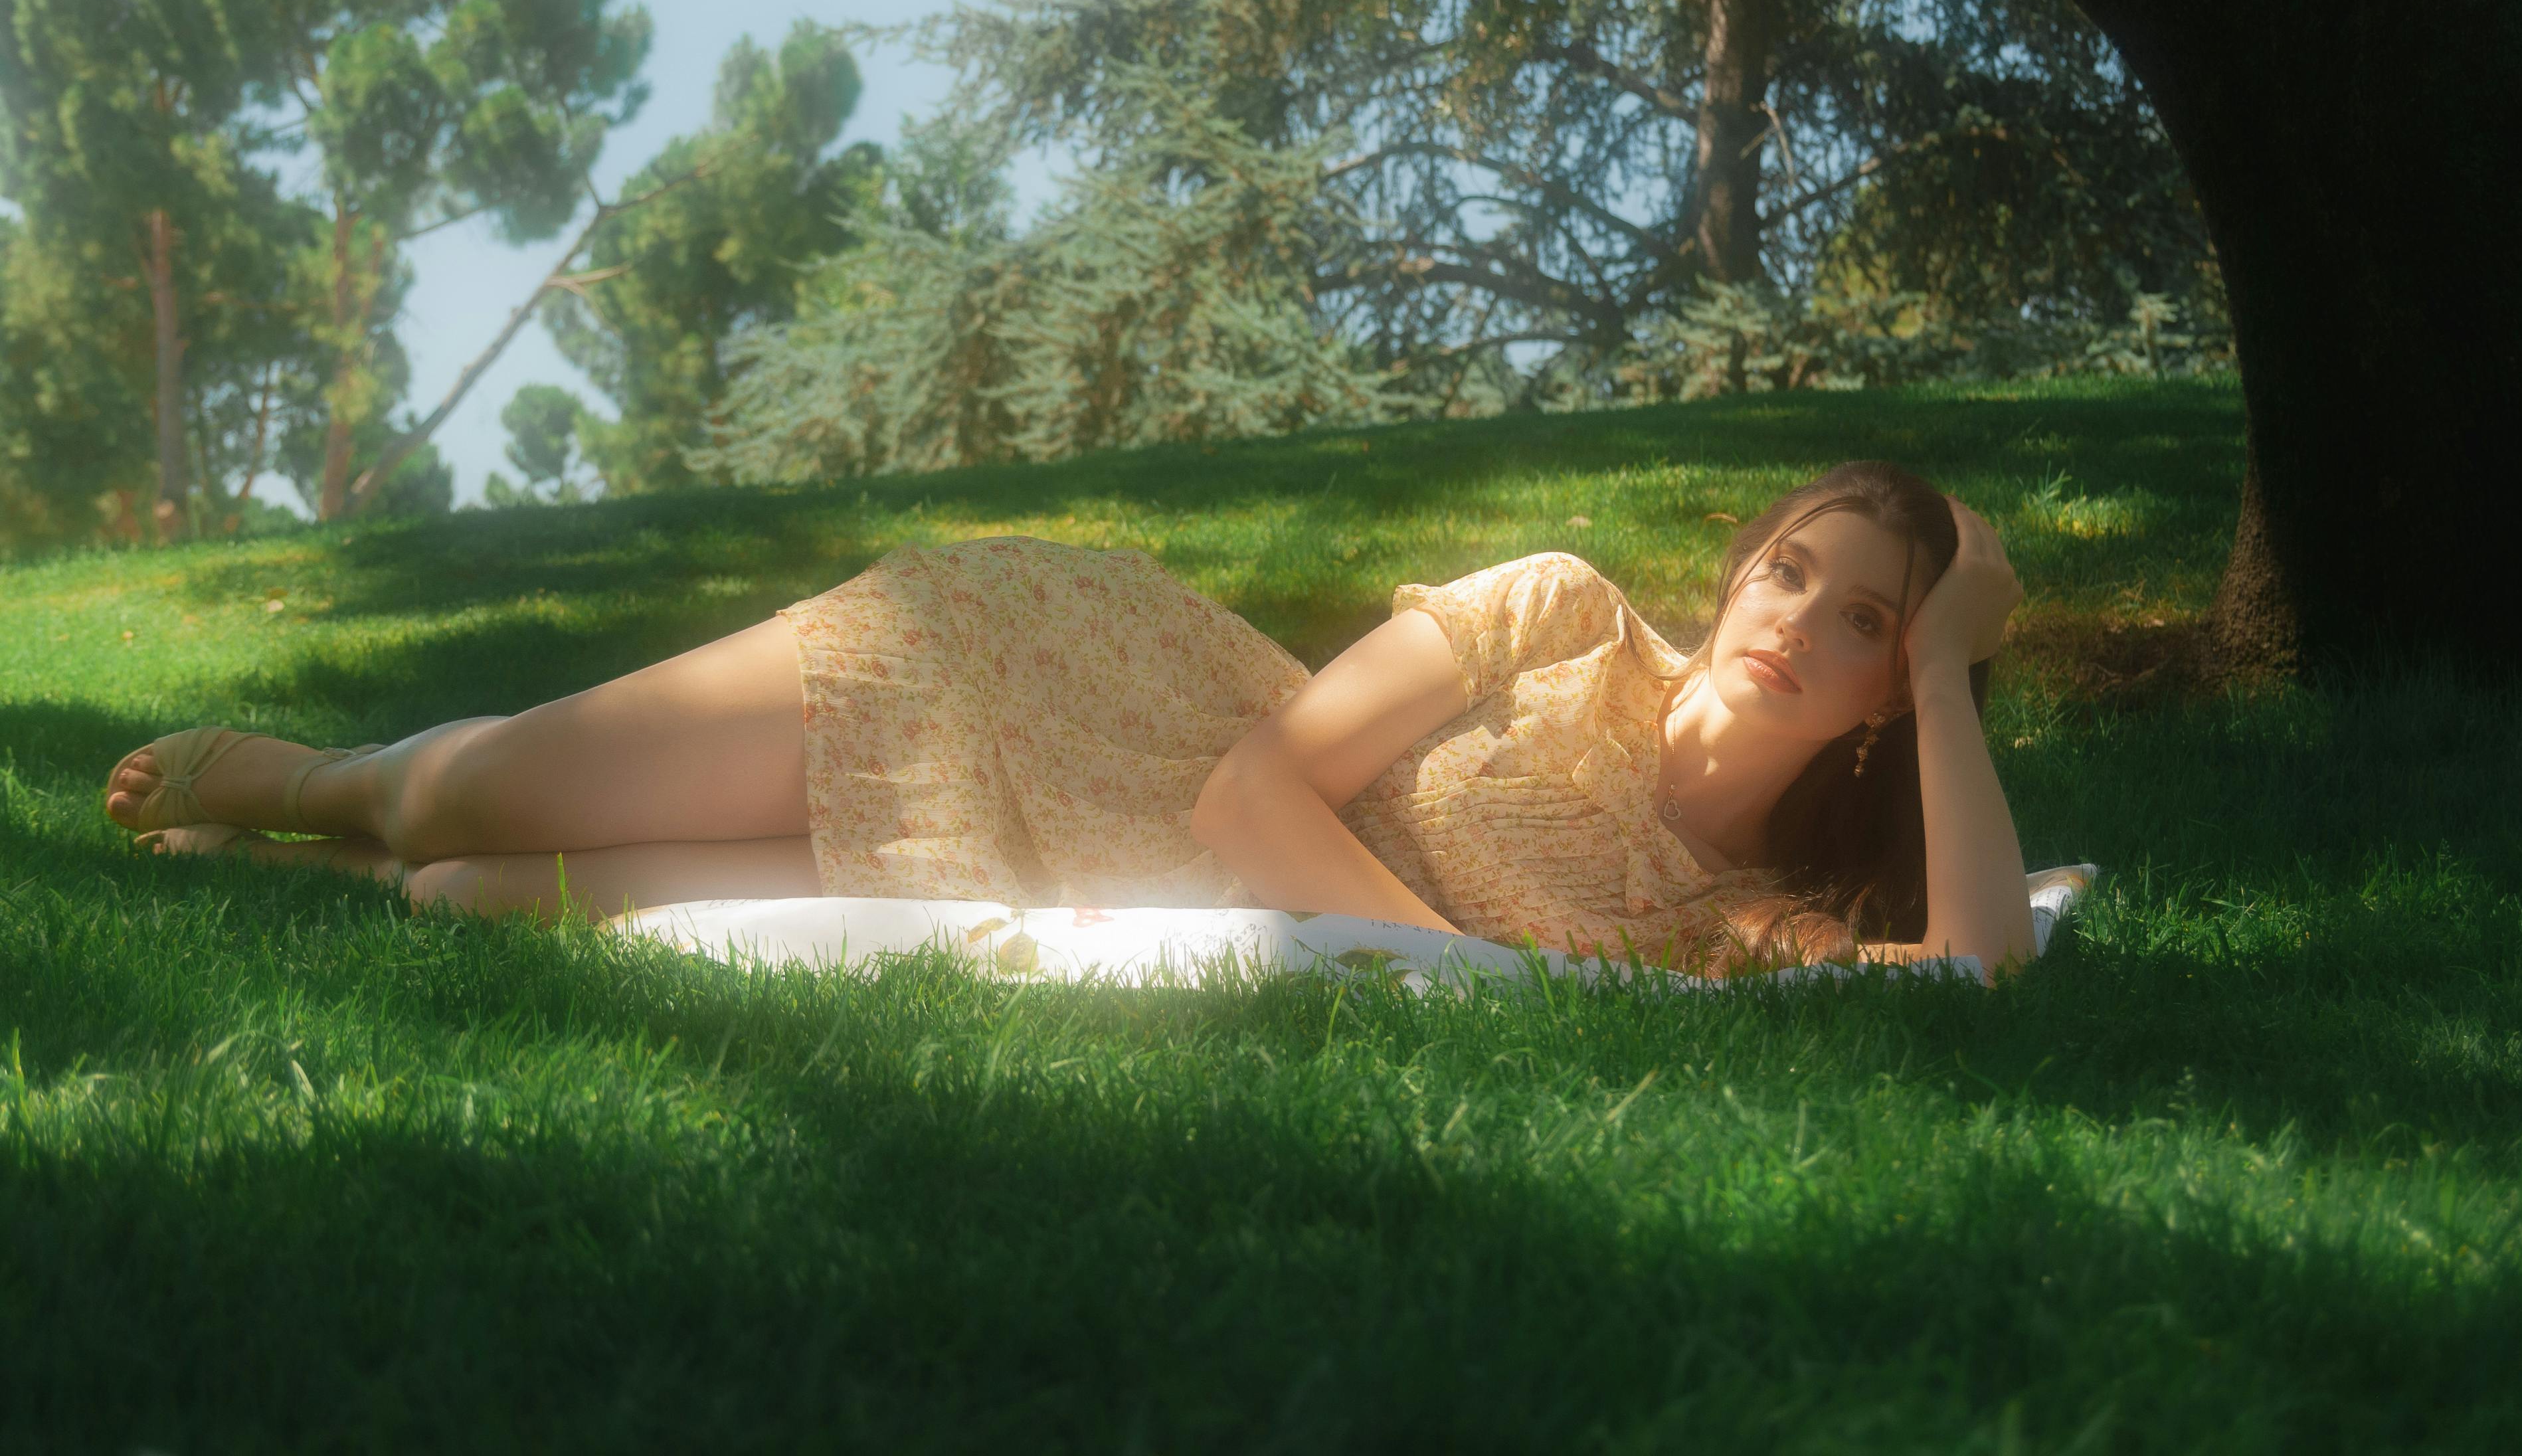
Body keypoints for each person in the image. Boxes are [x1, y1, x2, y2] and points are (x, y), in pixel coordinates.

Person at [102, 460, 2040, 977]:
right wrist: (1464, 977)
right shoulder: (1557, 616)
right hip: (1054, 680)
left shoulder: (1737, 928)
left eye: (1868, 619)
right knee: (487, 786)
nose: (1800, 622)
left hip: (1084, 876)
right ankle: (315, 777)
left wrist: (1963, 662)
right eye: (1791, 568)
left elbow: (1979, 971)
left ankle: (324, 854)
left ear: (1890, 692)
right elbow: (1257, 777)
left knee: (477, 904)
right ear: (1737, 570)